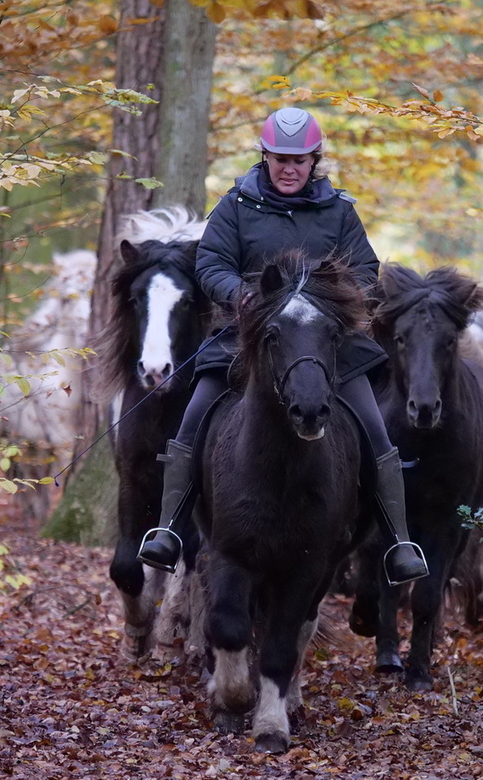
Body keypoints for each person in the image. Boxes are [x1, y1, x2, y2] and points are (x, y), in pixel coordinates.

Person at [137, 107, 428, 585]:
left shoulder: (339, 211)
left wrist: (330, 298)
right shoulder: (235, 206)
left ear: (314, 160)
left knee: (376, 430)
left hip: (325, 342)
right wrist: (239, 293)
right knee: (194, 418)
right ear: (266, 157)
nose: (289, 169)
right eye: (280, 159)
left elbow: (363, 271)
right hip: (246, 335)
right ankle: (167, 530)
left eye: (299, 160)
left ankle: (398, 542)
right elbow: (210, 262)